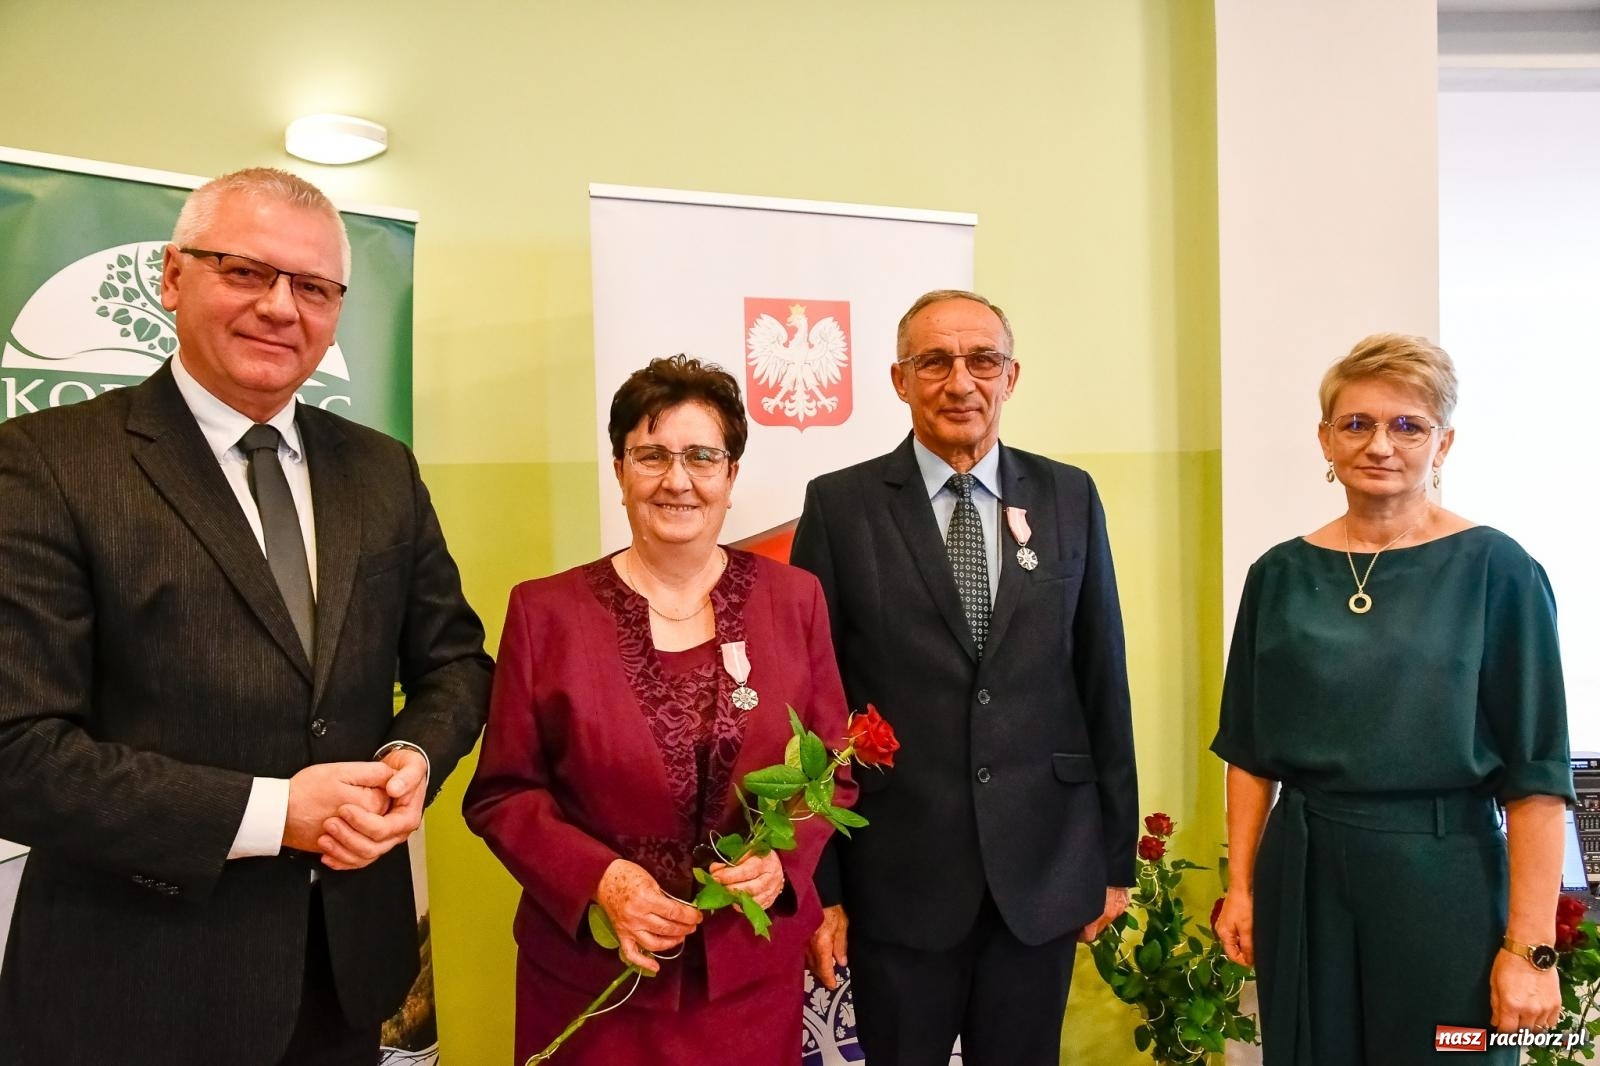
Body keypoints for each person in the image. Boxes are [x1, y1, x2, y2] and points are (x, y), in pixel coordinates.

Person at [0, 167, 493, 1066]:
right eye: (244, 271)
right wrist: (274, 814)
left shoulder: (382, 472)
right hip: (134, 992)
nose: (280, 307)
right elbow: (17, 750)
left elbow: (456, 662)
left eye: (312, 287)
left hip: (345, 982)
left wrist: (411, 757)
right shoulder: (47, 463)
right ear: (173, 276)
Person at [463, 355, 854, 1064]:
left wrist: (781, 860)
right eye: (652, 455)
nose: (678, 480)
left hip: (745, 987)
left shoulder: (795, 602)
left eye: (702, 456)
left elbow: (831, 770)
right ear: (620, 470)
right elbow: (504, 793)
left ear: (732, 476)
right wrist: (599, 880)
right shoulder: (543, 612)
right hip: (597, 979)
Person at [790, 289, 1138, 1065]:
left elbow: (1101, 677)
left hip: (1041, 871)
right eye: (935, 361)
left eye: (983, 360)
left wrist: (1113, 861)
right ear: (898, 379)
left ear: (1011, 377)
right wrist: (827, 883)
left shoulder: (1068, 495)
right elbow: (817, 704)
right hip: (898, 874)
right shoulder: (841, 507)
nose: (961, 381)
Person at [1211, 332, 1573, 1064]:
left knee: (1453, 1057)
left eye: (1408, 425)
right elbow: (1248, 751)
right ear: (1325, 440)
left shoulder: (1497, 570)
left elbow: (1537, 772)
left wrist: (1531, 950)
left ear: (1443, 445)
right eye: (1357, 424)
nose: (1381, 444)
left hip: (1444, 883)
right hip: (1305, 872)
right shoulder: (1278, 574)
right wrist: (1242, 889)